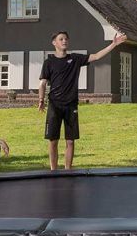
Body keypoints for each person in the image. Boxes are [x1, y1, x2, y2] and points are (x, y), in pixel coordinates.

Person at [38, 31, 128, 170]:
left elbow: (96, 56)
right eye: (61, 39)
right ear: (54, 43)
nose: (64, 41)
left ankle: (68, 170)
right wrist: (41, 101)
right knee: (53, 140)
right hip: (54, 106)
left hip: (71, 105)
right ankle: (53, 171)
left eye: (66, 39)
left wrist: (113, 44)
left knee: (70, 141)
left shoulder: (75, 59)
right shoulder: (49, 62)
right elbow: (43, 83)